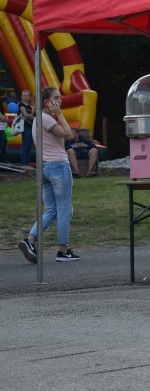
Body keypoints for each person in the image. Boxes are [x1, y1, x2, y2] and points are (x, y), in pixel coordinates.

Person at [18, 87, 79, 263]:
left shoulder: (38, 119)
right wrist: (59, 114)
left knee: (52, 209)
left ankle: (30, 240)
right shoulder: (46, 118)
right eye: (56, 98)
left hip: (43, 167)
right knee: (64, 209)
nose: (60, 101)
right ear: (47, 102)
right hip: (57, 166)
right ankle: (63, 250)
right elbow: (68, 134)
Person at [18, 89, 35, 166]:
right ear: (21, 96)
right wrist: (33, 115)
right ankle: (24, 164)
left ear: (29, 97)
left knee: (29, 146)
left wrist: (31, 115)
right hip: (25, 127)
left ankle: (27, 164)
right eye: (24, 95)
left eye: (26, 95)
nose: (25, 97)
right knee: (25, 146)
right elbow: (26, 115)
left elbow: (31, 115)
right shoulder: (21, 105)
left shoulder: (30, 106)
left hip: (31, 127)